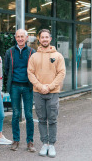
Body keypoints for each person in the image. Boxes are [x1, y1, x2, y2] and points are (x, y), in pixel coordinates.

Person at [27, 29, 66, 158]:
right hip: (38, 93)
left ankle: (52, 144)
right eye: (42, 37)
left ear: (50, 39)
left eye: (46, 37)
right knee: (42, 119)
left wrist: (50, 86)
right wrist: (40, 86)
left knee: (53, 119)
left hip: (53, 92)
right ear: (39, 39)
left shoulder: (58, 56)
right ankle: (44, 143)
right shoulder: (34, 56)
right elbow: (30, 73)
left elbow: (61, 73)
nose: (44, 39)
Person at [4, 28, 36, 152]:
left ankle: (30, 142)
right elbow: (7, 69)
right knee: (16, 114)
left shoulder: (32, 52)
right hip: (15, 87)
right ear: (15, 38)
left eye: (22, 36)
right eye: (18, 36)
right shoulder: (9, 52)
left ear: (26, 38)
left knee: (28, 115)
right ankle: (16, 140)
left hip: (28, 87)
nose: (20, 38)